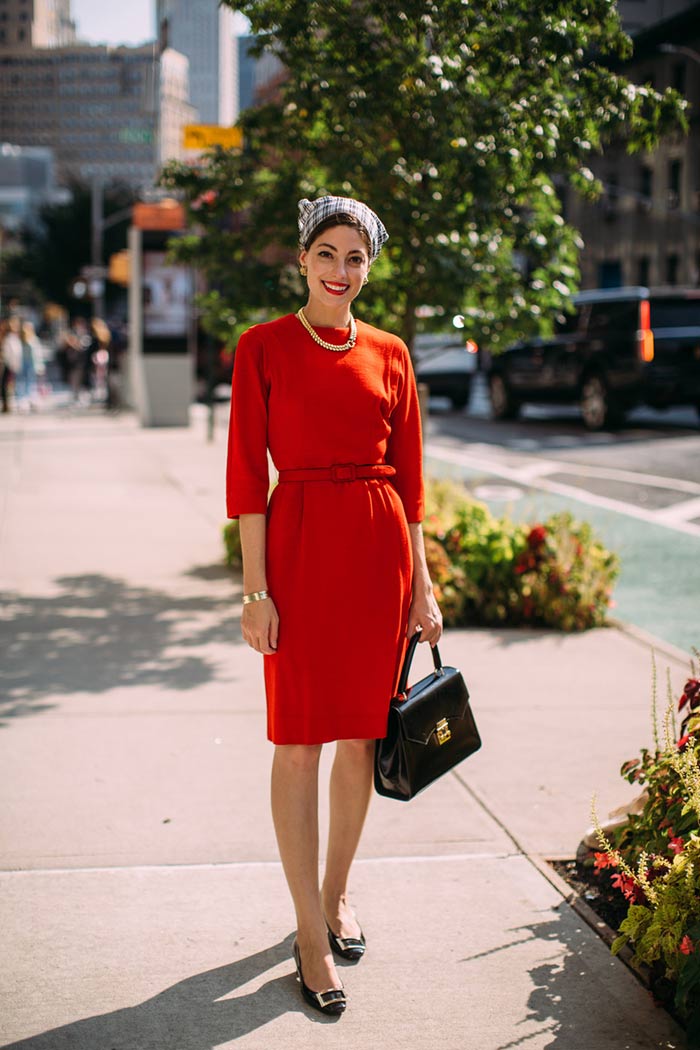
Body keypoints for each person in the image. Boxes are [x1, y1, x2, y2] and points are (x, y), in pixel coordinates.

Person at [226, 195, 442, 1017]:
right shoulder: (263, 348)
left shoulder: (390, 352)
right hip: (300, 551)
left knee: (362, 737)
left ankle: (337, 892)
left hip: (381, 555)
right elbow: (248, 480)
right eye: (328, 253)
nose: (341, 271)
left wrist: (421, 585)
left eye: (356, 257)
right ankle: (307, 931)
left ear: (369, 265)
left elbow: (412, 483)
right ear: (303, 258)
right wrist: (256, 590)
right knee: (296, 744)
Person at [0, 318, 23, 413]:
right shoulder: (9, 338)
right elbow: (13, 353)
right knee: (6, 385)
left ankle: (7, 404)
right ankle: (6, 404)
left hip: (8, 364)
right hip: (7, 364)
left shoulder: (10, 337)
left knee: (6, 385)